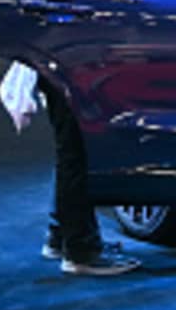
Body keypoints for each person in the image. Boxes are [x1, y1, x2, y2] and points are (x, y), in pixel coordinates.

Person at [41, 73, 140, 274]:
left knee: (71, 148)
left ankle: (64, 237)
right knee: (78, 150)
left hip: (61, 61)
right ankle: (81, 251)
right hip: (72, 64)